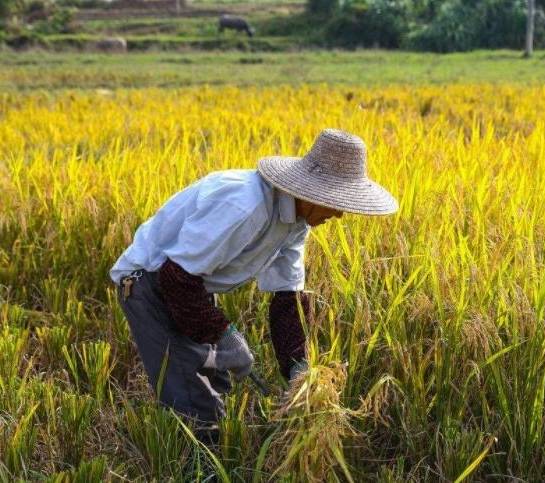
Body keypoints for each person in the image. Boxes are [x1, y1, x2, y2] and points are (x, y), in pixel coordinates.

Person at [109, 128, 398, 438]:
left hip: (191, 287)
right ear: (314, 192)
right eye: (336, 202)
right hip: (150, 284)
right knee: (195, 402)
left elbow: (287, 297)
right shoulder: (243, 205)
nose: (339, 214)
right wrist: (224, 335)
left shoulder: (296, 222)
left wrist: (298, 366)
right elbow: (175, 277)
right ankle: (196, 469)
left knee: (216, 383)